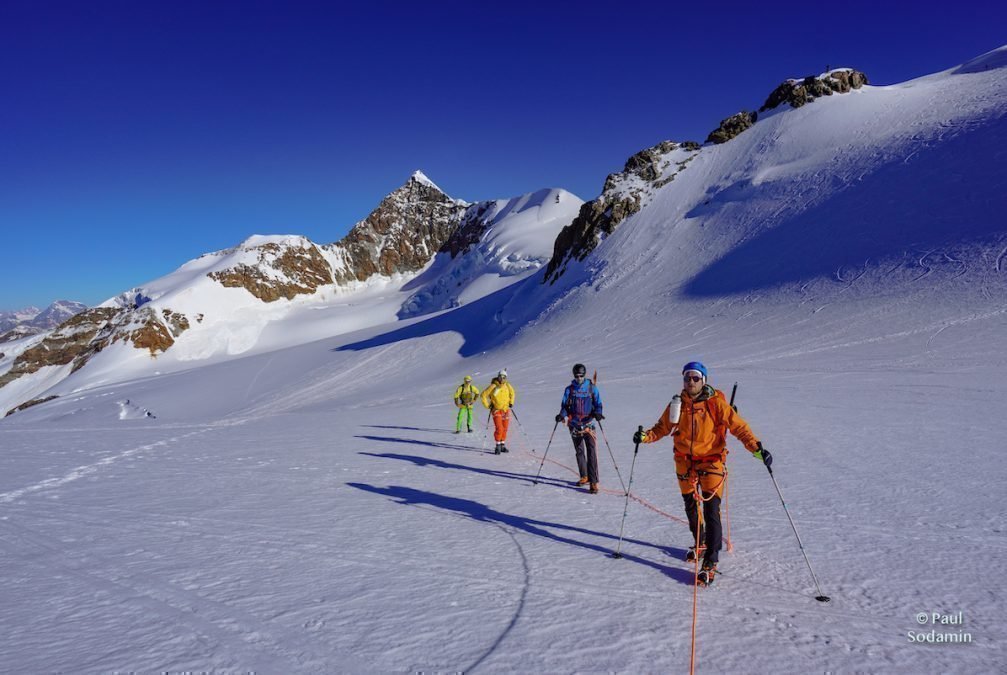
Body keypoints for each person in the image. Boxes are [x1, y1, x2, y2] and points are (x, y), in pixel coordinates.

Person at [633, 361, 772, 586]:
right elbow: (662, 428)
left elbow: (739, 427)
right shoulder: (677, 405)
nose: (690, 382)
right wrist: (645, 437)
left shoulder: (716, 404)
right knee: (690, 506)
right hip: (684, 463)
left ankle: (710, 561)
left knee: (711, 510)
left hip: (712, 462)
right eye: (687, 378)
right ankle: (700, 543)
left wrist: (756, 448)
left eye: (695, 378)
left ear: (703, 380)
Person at [556, 363, 604, 493]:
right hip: (574, 424)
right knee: (579, 451)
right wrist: (561, 415)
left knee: (592, 452)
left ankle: (593, 482)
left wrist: (598, 413)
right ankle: (584, 476)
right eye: (576, 376)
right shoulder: (569, 389)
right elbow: (565, 406)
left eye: (581, 376)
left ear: (584, 375)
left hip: (588, 424)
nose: (579, 378)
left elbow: (598, 403)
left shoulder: (591, 388)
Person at [481, 369, 516, 454]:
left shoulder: (507, 385)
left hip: (506, 410)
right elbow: (483, 395)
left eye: (504, 377)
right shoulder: (493, 386)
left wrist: (511, 402)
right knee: (499, 428)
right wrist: (488, 405)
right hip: (496, 410)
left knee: (505, 428)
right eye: (501, 377)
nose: (502, 379)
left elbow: (513, 393)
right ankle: (497, 445)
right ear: (498, 377)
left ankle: (502, 445)